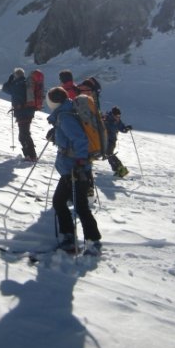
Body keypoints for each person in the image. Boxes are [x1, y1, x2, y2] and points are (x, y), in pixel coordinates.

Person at [45, 87, 102, 252]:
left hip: (74, 169)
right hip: (72, 168)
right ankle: (72, 237)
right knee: (64, 202)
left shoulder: (65, 117)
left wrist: (80, 163)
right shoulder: (67, 112)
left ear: (53, 102)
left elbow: (80, 140)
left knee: (78, 205)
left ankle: (91, 241)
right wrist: (55, 135)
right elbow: (70, 139)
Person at [2, 68, 37, 162]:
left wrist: (10, 80)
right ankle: (30, 155)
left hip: (22, 112)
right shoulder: (26, 83)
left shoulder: (16, 84)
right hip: (29, 111)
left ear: (16, 75)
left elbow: (5, 89)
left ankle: (31, 156)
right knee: (25, 133)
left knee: (23, 135)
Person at [104, 106, 133, 177]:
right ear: (113, 115)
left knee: (109, 154)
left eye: (119, 116)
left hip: (112, 140)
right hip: (105, 139)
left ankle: (120, 169)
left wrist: (126, 128)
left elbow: (121, 128)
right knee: (108, 154)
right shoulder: (107, 119)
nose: (118, 117)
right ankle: (118, 169)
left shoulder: (117, 121)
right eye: (117, 116)